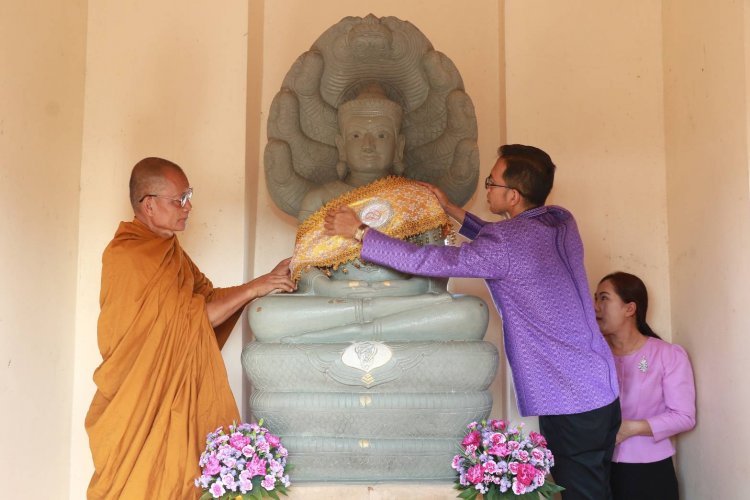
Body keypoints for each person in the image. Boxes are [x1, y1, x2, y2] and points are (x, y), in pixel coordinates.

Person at [325, 144, 621, 500]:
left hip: (570, 398)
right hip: (601, 388)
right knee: (598, 487)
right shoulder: (560, 220)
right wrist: (453, 211)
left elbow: (428, 260)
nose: (487, 188)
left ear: (512, 195)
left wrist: (360, 233)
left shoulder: (506, 242)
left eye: (491, 183)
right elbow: (507, 243)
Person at [85, 157, 295, 499]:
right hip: (135, 401)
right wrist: (255, 287)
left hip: (169, 399)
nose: (188, 206)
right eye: (178, 199)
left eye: (189, 196)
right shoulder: (129, 256)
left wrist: (264, 283)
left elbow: (206, 300)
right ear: (148, 205)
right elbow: (192, 317)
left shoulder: (170, 251)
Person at [594, 272, 696, 500]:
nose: (596, 307)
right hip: (599, 468)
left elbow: (684, 416)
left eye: (604, 298)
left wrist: (632, 428)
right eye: (595, 299)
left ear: (630, 308)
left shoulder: (668, 355)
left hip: (650, 473)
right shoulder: (593, 358)